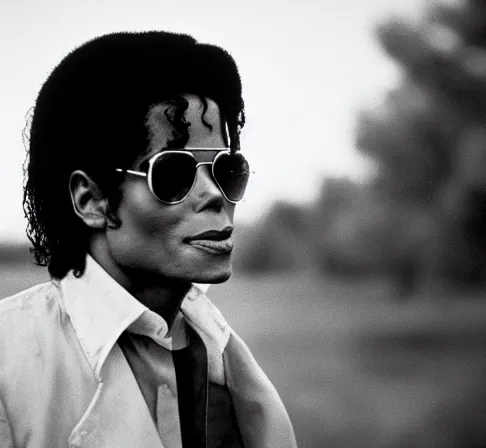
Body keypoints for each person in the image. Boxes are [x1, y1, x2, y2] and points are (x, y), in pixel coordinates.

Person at [0, 32, 297, 448]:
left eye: (227, 169)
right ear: (93, 200)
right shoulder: (7, 359)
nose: (215, 194)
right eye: (174, 173)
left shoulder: (217, 353)